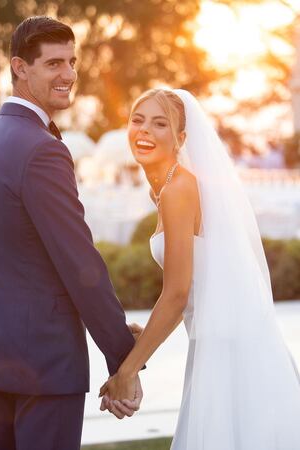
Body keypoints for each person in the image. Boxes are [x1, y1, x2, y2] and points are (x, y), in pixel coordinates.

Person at [0, 16, 141, 450]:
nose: (69, 75)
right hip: (44, 360)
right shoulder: (43, 150)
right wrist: (124, 357)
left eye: (72, 62)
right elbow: (79, 264)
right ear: (20, 68)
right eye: (54, 64)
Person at [99, 88, 300, 449]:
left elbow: (176, 295)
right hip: (217, 342)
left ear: (181, 138)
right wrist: (145, 336)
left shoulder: (179, 189)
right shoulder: (163, 189)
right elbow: (194, 291)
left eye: (160, 124)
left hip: (232, 353)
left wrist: (127, 372)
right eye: (137, 120)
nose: (144, 131)